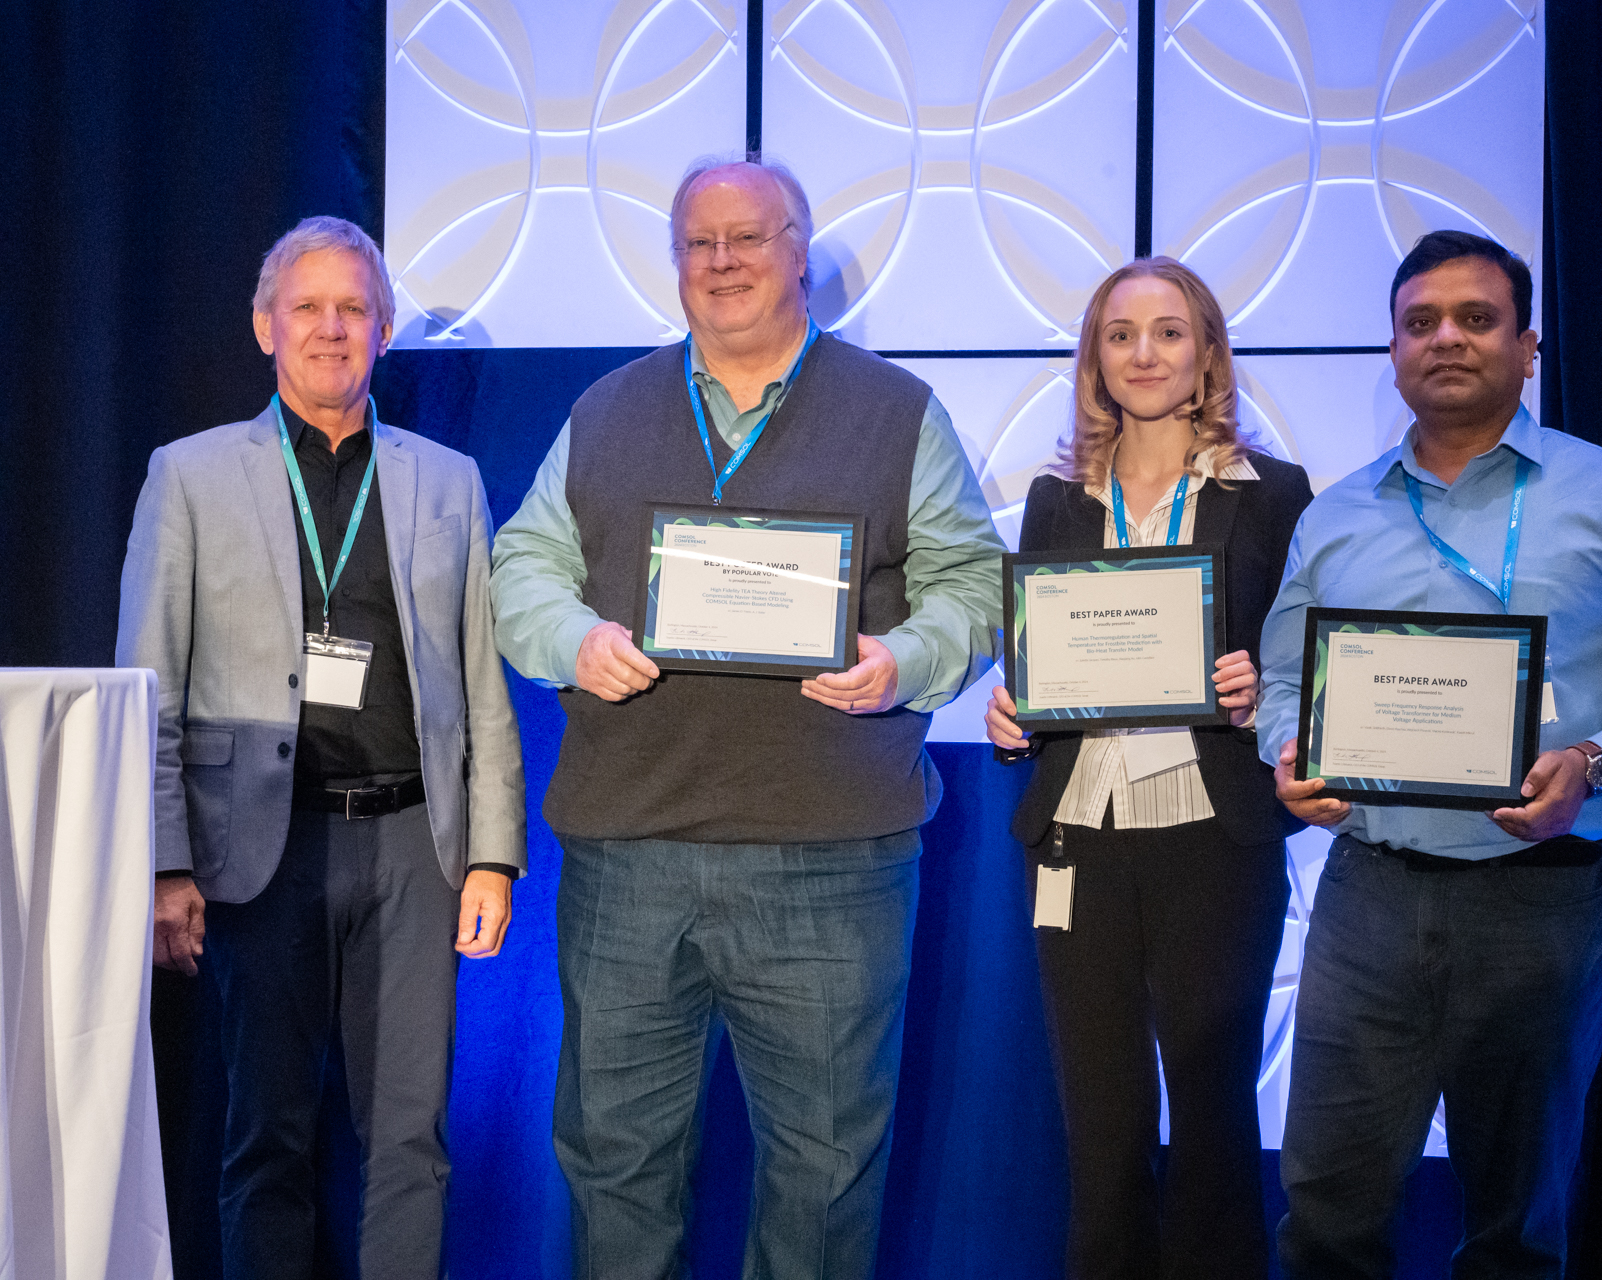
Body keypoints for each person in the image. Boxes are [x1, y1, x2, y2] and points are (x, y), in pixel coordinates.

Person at [488, 155, 1004, 1279]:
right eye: (699, 242)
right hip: (629, 853)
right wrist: (573, 639)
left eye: (748, 238)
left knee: (823, 1177)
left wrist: (902, 660)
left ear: (799, 253)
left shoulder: (897, 411)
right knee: (614, 1165)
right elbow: (522, 565)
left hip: (832, 861)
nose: (722, 262)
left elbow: (975, 584)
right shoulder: (606, 408)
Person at [1258, 229, 1602, 1278]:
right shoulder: (1337, 515)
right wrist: (1288, 752)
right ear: (1392, 351)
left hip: (1542, 896)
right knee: (1325, 1211)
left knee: (1517, 1227)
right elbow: (1285, 677)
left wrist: (1594, 763)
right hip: (1369, 895)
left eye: (1477, 319)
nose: (1447, 339)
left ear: (1528, 347)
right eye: (1420, 322)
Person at [116, 215, 526, 1280]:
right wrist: (162, 864)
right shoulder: (189, 476)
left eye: (354, 308)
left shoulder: (449, 481)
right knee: (267, 1139)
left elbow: (483, 685)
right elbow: (147, 689)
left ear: (385, 329)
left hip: (414, 847)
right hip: (259, 852)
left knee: (411, 1141)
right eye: (308, 306)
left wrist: (493, 855)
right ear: (265, 326)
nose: (331, 328)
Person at [984, 257, 1314, 1278]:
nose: (1144, 353)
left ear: (1208, 353)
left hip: (1216, 833)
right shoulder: (1055, 499)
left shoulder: (1276, 494)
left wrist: (1264, 688)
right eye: (1119, 334)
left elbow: (1305, 666)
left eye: (1169, 332)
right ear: (1095, 359)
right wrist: (1013, 712)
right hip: (1078, 834)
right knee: (1102, 1124)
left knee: (1214, 1117)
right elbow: (1042, 663)